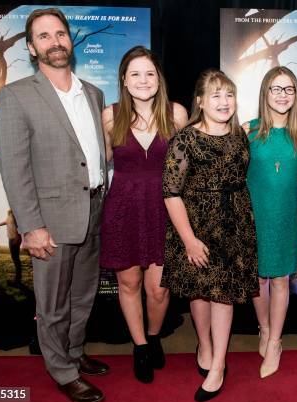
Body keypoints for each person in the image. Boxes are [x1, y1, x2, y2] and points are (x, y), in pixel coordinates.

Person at [0, 8, 109, 402]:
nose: (54, 41)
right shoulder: (17, 95)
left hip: (93, 211)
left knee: (83, 295)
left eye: (60, 33)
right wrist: (31, 226)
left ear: (70, 41)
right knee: (54, 302)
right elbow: (14, 168)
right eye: (43, 36)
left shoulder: (93, 93)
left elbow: (93, 156)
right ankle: (62, 371)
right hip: (50, 221)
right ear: (30, 47)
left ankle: (75, 354)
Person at [161, 69, 259, 402]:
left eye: (229, 94)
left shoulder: (240, 136)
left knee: (223, 295)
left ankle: (218, 365)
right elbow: (171, 192)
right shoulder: (185, 138)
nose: (224, 101)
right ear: (200, 102)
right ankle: (204, 343)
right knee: (199, 292)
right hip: (196, 227)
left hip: (233, 225)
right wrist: (188, 240)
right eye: (215, 95)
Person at [100, 46, 187, 383]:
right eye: (135, 73)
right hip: (123, 207)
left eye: (149, 73)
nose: (143, 80)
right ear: (124, 79)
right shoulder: (111, 115)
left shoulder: (176, 113)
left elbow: (189, 165)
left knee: (159, 289)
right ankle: (139, 347)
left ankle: (153, 336)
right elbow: (99, 160)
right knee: (129, 281)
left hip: (164, 208)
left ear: (158, 79)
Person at [244, 66, 297, 378]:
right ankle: (266, 330)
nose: (283, 95)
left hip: (285, 219)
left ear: (295, 95)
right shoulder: (248, 131)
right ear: (265, 93)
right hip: (256, 218)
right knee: (258, 280)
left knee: (281, 279)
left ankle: (276, 342)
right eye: (276, 89)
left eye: (289, 89)